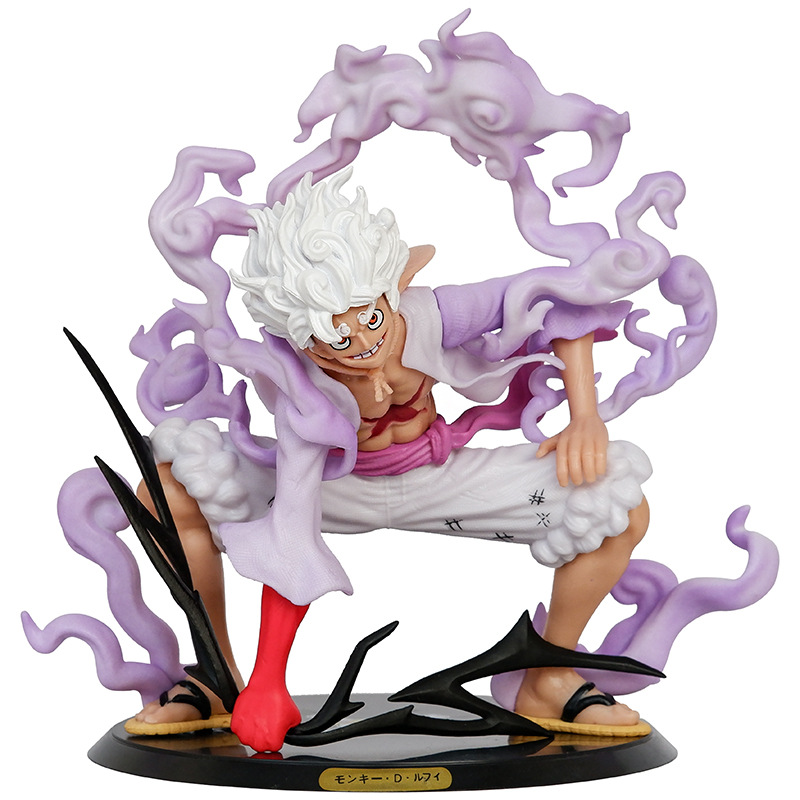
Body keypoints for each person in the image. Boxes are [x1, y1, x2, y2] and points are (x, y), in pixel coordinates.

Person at [129, 168, 652, 750]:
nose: (363, 343)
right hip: (334, 486)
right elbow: (290, 536)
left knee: (618, 504)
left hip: (440, 477)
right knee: (168, 490)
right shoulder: (299, 380)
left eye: (371, 318)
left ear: (388, 289)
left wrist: (585, 416)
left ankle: (549, 678)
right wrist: (268, 681)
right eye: (337, 337)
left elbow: (556, 294)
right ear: (299, 335)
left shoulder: (430, 313)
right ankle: (220, 677)